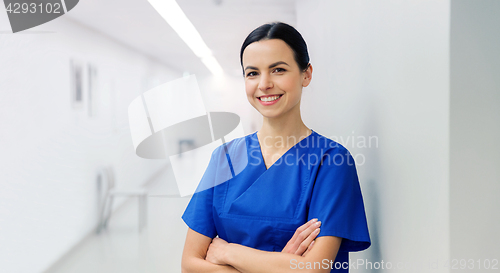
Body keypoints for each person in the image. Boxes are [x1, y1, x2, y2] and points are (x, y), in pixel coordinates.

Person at [181, 21, 370, 273]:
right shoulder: (224, 158)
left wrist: (229, 252)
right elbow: (190, 265)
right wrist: (281, 265)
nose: (264, 84)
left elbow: (315, 268)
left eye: (278, 70)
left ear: (306, 74)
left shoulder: (332, 161)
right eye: (252, 73)